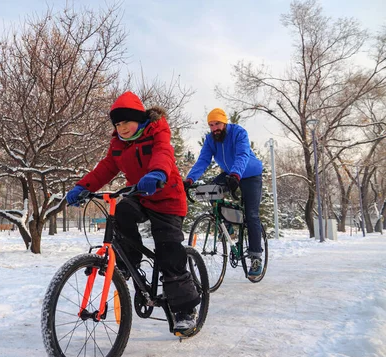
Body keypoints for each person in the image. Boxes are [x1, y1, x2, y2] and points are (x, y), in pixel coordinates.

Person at [66, 91, 201, 332]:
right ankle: (130, 262)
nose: (122, 128)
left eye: (126, 121)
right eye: (117, 124)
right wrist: (82, 186)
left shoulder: (157, 132)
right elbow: (106, 168)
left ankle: (185, 309)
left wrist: (157, 173)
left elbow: (163, 154)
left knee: (168, 249)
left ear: (139, 119)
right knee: (122, 212)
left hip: (168, 198)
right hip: (141, 196)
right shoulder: (118, 144)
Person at [183, 108, 264, 276]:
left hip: (250, 174)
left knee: (251, 214)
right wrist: (189, 180)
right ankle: (226, 224)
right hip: (230, 174)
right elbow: (203, 160)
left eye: (217, 124)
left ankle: (256, 257)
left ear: (225, 122)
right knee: (211, 190)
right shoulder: (210, 139)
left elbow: (242, 155)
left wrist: (235, 175)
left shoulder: (239, 133)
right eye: (211, 125)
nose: (214, 128)